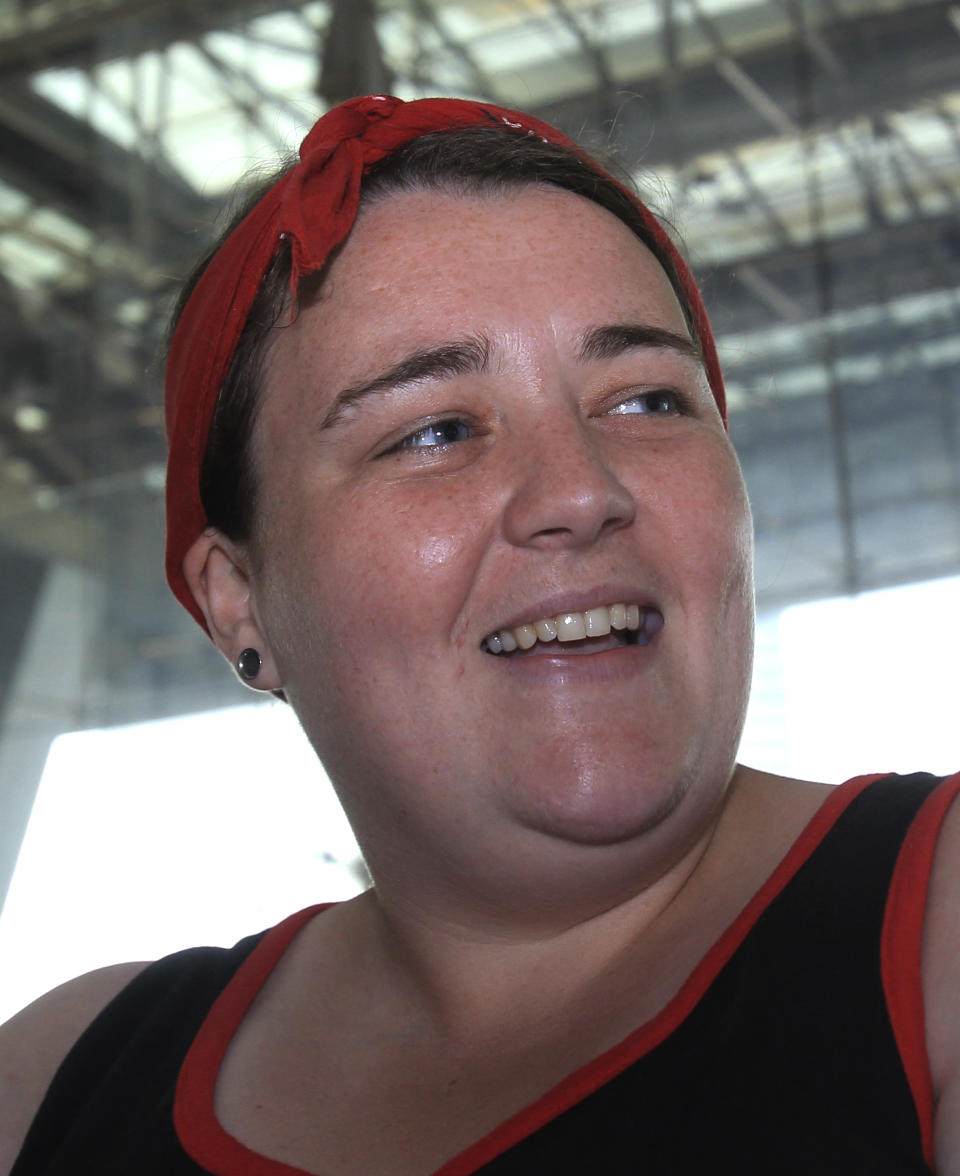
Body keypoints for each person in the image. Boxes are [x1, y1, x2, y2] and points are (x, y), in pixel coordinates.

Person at [1, 94, 957, 1175]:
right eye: (438, 429)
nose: (581, 491)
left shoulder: (940, 931)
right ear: (239, 602)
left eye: (647, 400)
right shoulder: (52, 1089)